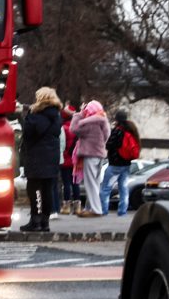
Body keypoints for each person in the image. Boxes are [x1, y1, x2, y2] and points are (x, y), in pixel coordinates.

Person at [18, 87, 63, 232]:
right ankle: (45, 222)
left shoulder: (36, 115)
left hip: (37, 156)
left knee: (34, 189)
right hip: (52, 156)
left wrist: (26, 115)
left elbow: (28, 132)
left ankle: (35, 221)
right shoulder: (56, 115)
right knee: (47, 190)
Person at [70, 100, 111, 217]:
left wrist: (79, 114)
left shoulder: (88, 123)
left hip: (89, 154)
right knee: (96, 183)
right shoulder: (103, 120)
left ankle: (96, 209)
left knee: (90, 183)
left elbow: (73, 129)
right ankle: (90, 208)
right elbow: (107, 135)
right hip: (100, 154)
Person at [99, 109, 141, 216]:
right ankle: (122, 211)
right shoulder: (130, 131)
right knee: (123, 189)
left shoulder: (117, 131)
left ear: (117, 119)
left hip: (114, 165)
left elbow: (109, 145)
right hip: (126, 165)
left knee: (106, 188)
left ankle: (104, 210)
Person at [58, 104, 77, 215]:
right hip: (76, 160)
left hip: (65, 160)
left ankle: (66, 207)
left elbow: (62, 145)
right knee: (75, 183)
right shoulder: (77, 128)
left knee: (66, 184)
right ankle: (77, 207)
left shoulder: (63, 128)